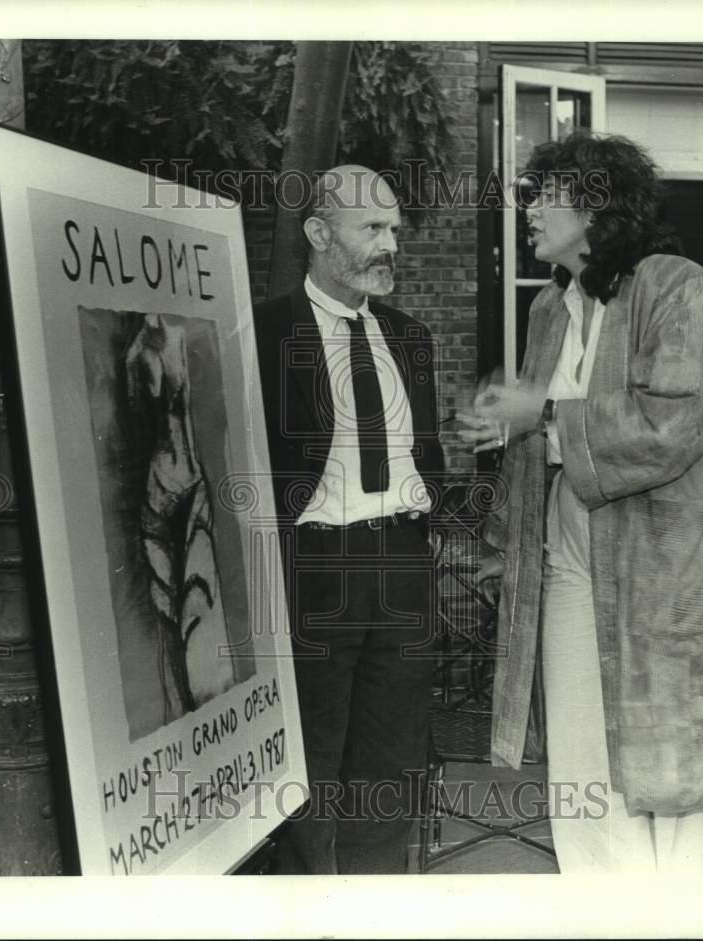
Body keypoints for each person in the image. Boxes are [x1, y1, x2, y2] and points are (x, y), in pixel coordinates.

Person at [459, 132, 703, 873]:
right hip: (570, 563)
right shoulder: (548, 315)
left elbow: (675, 421)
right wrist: (505, 432)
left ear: (596, 205)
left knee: (666, 763)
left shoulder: (678, 287)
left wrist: (547, 415)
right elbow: (542, 430)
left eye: (544, 196)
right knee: (580, 754)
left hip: (663, 575)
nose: (528, 211)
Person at [253, 165, 444, 874]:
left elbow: (429, 457)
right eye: (372, 228)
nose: (390, 244)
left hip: (400, 565)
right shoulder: (266, 333)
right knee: (309, 760)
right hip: (316, 570)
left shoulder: (409, 337)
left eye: (394, 229)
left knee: (390, 762)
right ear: (318, 234)